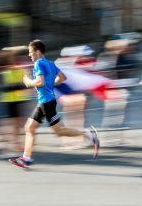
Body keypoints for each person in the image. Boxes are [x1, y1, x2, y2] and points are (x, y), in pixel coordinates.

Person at [9, 40, 100, 168]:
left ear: (38, 51)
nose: (30, 55)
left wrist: (29, 82)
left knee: (59, 131)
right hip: (44, 101)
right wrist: (50, 84)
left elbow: (40, 82)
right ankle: (26, 158)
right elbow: (62, 78)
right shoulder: (50, 63)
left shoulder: (38, 63)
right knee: (29, 128)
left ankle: (89, 135)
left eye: (31, 53)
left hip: (46, 103)